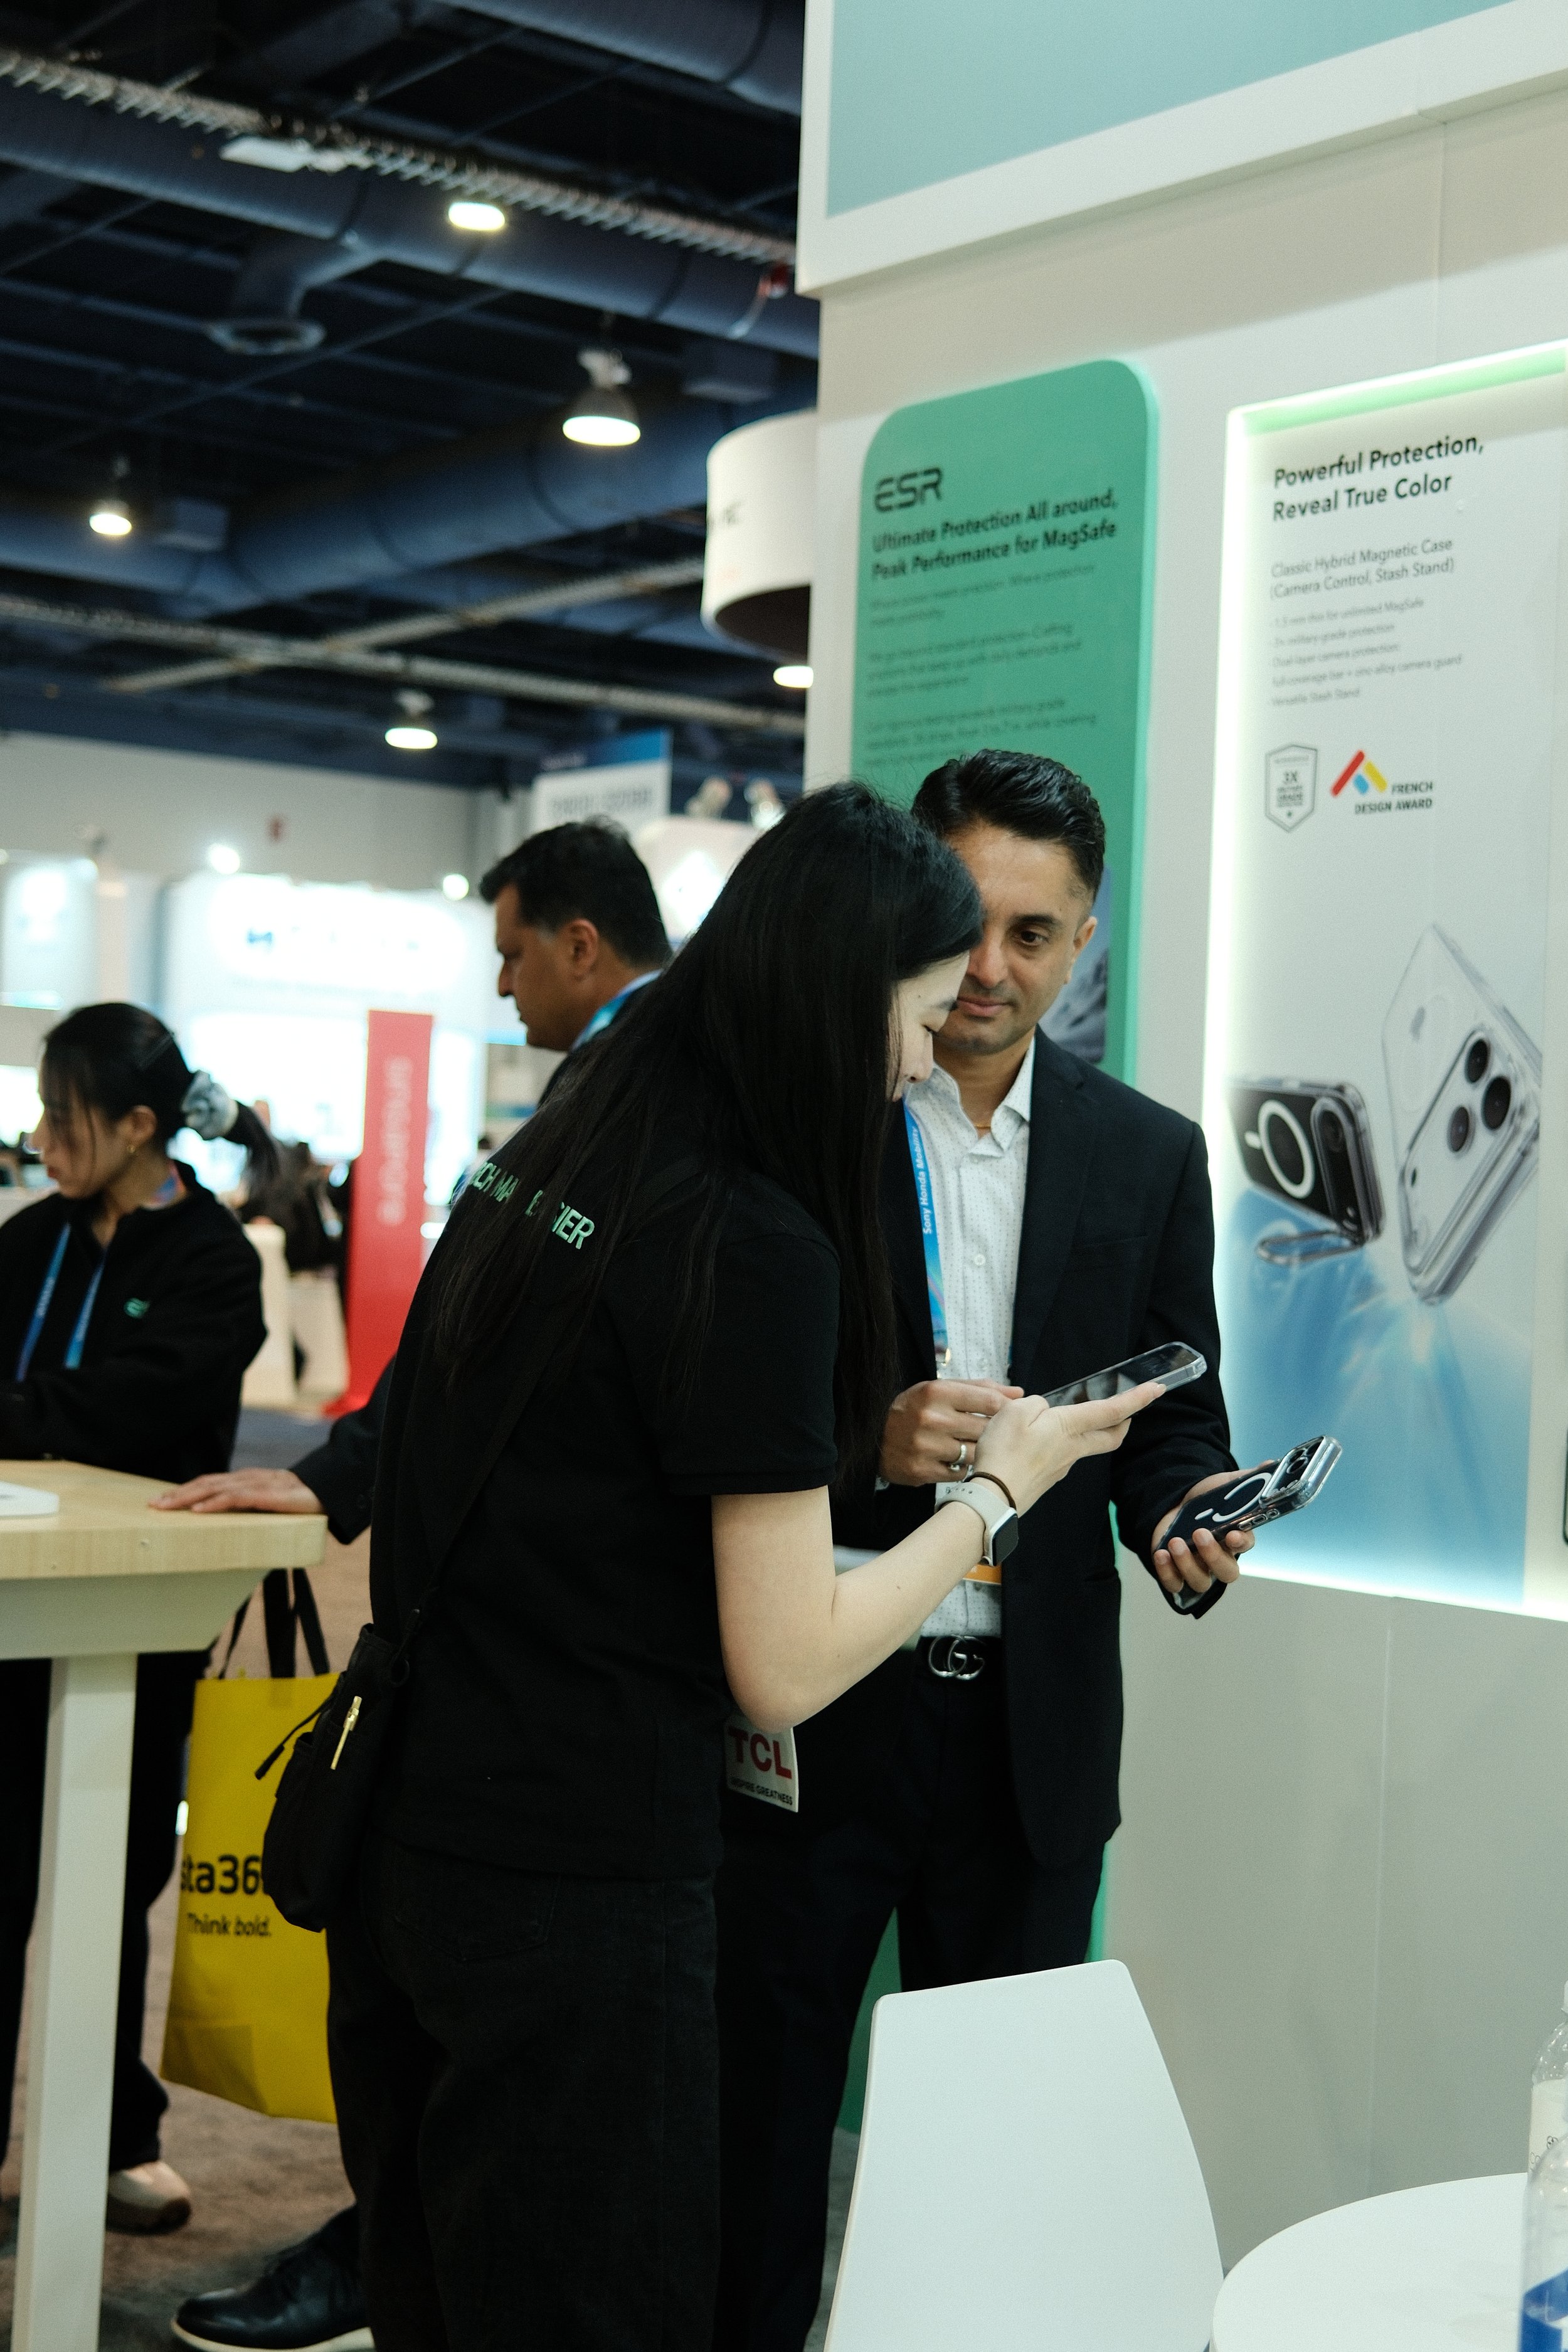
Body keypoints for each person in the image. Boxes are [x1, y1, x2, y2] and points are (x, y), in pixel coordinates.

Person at [321, 784, 1162, 2352]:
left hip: (419, 1833)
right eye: (914, 1010)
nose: (924, 1051)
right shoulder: (754, 1236)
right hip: (580, 1874)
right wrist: (998, 1495)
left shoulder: (579, 1130)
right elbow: (783, 1656)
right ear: (839, 993)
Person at [712, 751, 1257, 2352]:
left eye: (1039, 935)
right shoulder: (804, 1126)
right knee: (760, 2140)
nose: (994, 974)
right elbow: (716, 1406)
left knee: (993, 2179)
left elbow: (1170, 1402)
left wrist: (1183, 1511)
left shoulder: (1144, 1154)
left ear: (1082, 943)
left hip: (1027, 1735)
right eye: (974, 929)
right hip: (818, 1706)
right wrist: (860, 1446)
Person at [155, 816, 672, 2352]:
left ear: (581, 941)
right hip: (476, 1654)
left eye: (513, 949)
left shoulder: (666, 1104)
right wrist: (329, 1480)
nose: (502, 984)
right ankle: (384, 2252)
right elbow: (458, 1352)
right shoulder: (589, 1107)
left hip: (562, 1676)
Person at [0, 1005, 273, 2237]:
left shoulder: (214, 1260)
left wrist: (30, 1411)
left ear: (140, 1127)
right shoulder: (27, 1241)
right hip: (14, 1597)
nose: (45, 1137)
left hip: (140, 1616)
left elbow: (145, 1414)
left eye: (67, 1116)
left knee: (112, 1879)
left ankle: (111, 2136)